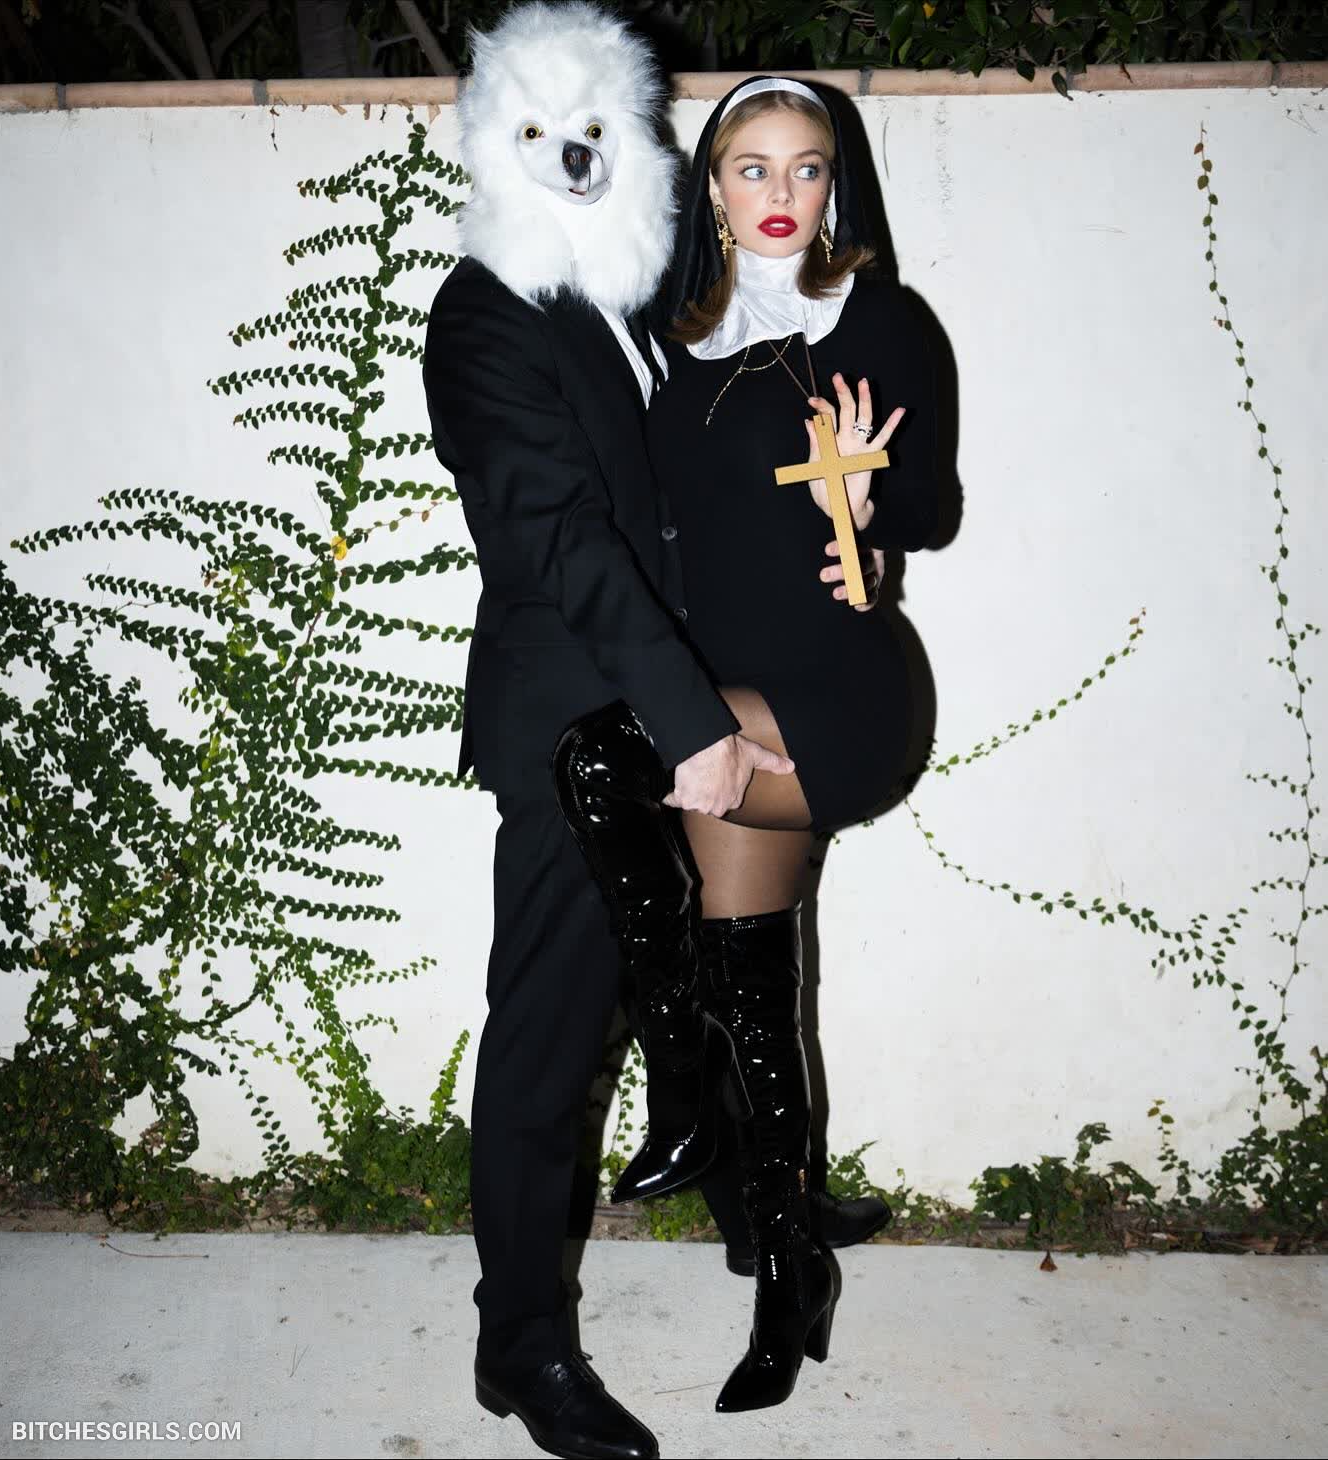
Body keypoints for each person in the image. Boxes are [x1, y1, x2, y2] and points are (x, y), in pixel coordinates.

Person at [421, 10, 864, 1458]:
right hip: (572, 726)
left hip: (682, 694)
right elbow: (554, 536)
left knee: (710, 968)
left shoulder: (632, 285)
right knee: (550, 1036)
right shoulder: (484, 314)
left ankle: (754, 1205)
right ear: (495, 145)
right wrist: (689, 724)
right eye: (541, 133)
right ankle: (517, 1348)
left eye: (597, 130)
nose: (573, 155)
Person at [636, 74, 941, 1412]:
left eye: (805, 167)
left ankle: (680, 1100)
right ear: (711, 187)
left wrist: (872, 509)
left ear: (834, 182)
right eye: (751, 167)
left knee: (603, 755)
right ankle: (782, 1248)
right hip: (723, 697)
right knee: (749, 975)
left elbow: (929, 507)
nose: (779, 193)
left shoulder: (877, 318)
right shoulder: (672, 334)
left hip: (837, 692)